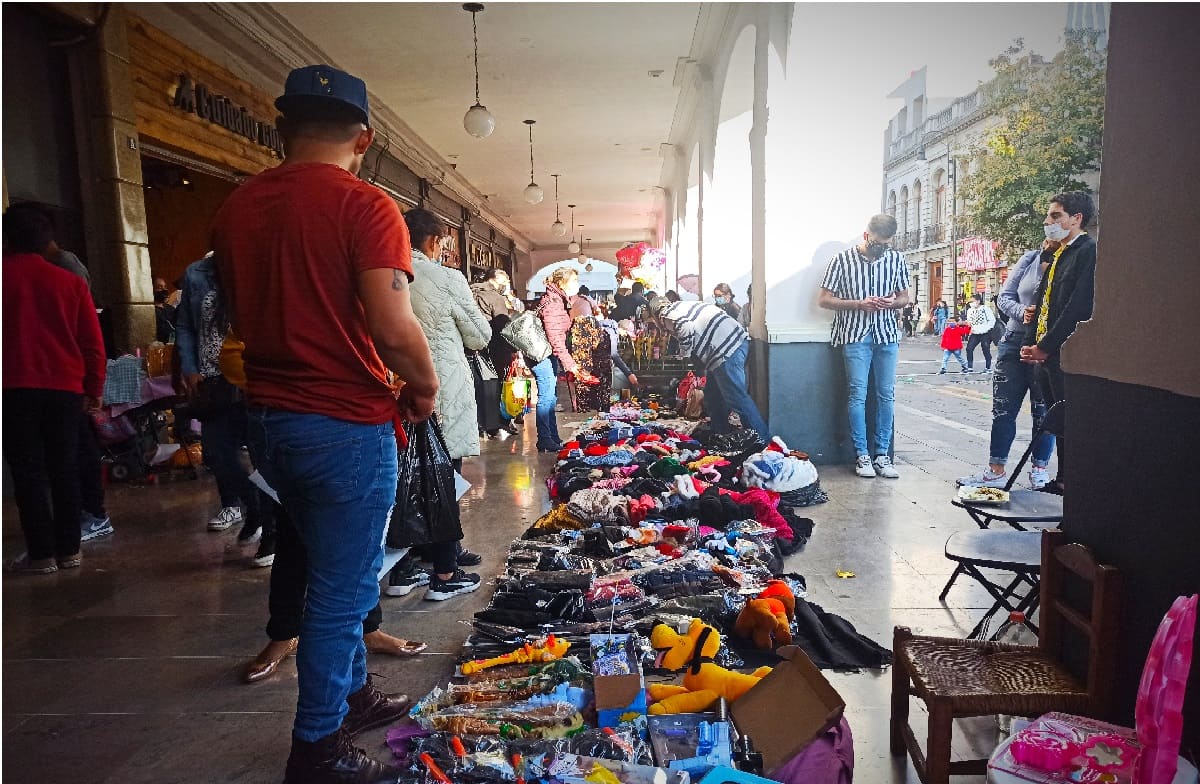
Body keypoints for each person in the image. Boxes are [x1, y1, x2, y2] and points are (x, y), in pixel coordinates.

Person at [212, 64, 439, 783]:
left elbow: (237, 311)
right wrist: (426, 386)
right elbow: (392, 324)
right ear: (363, 139)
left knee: (327, 570)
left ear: (283, 130)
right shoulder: (366, 206)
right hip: (343, 420)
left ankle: (352, 697)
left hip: (271, 423)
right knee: (341, 594)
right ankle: (316, 748)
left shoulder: (239, 205)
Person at [382, 208, 487, 601]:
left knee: (399, 473)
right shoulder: (446, 278)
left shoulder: (381, 272)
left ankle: (405, 566)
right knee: (442, 473)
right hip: (438, 383)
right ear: (432, 240)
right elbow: (477, 335)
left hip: (390, 383)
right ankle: (445, 570)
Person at [3, 205, 105, 574]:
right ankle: (70, 550)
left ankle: (41, 554)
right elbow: (92, 343)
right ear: (46, 239)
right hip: (64, 388)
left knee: (27, 471)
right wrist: (93, 387)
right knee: (64, 468)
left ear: (8, 238)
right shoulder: (70, 282)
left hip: (12, 388)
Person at [175, 253, 269, 547]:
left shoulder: (258, 264)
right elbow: (186, 326)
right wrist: (189, 367)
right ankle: (253, 506)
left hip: (250, 376)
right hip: (212, 380)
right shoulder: (196, 274)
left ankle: (271, 529)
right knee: (217, 454)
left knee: (261, 455)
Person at [958, 241, 1060, 490]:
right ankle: (996, 470)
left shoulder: (1070, 262)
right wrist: (1022, 311)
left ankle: (1039, 471)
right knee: (1004, 410)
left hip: (1047, 344)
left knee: (1044, 413)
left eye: (1056, 218)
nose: (1048, 231)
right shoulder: (1030, 259)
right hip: (1014, 340)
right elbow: (1003, 298)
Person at [817, 213, 910, 479]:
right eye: (877, 243)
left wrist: (890, 303)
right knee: (857, 394)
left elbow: (905, 297)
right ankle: (862, 455)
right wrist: (859, 303)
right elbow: (823, 299)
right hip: (855, 334)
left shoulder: (896, 260)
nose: (881, 248)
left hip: (887, 334)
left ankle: (882, 454)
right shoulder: (842, 260)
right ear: (866, 235)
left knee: (886, 394)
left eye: (886, 244)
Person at [1021, 191, 1098, 495]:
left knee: (1070, 418)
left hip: (1065, 353)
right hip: (1046, 354)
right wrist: (1031, 344)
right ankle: (1063, 477)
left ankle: (1071, 480)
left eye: (1056, 216)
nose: (1048, 221)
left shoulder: (1087, 252)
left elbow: (1077, 307)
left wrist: (1047, 346)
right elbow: (1042, 303)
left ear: (1076, 218)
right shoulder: (1057, 254)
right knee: (1058, 417)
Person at [645, 295, 769, 439]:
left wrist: (685, 355)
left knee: (737, 399)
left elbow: (685, 325)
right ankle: (721, 435)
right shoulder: (681, 306)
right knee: (712, 396)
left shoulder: (665, 313)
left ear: (654, 314)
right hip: (734, 343)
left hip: (725, 351)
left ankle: (761, 440)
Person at [532, 267, 597, 452]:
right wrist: (572, 366)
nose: (577, 285)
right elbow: (555, 339)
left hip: (547, 353)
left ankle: (551, 437)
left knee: (550, 397)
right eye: (574, 281)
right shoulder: (553, 303)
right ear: (562, 283)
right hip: (542, 354)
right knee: (546, 398)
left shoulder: (558, 300)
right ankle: (545, 439)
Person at [964, 293, 996, 372]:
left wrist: (987, 328)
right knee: (969, 348)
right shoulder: (970, 310)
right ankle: (970, 367)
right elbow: (969, 321)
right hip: (975, 333)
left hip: (985, 333)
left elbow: (992, 320)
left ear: (978, 301)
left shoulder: (985, 309)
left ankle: (988, 367)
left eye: (973, 301)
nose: (971, 303)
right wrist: (969, 325)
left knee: (985, 349)